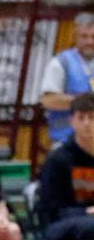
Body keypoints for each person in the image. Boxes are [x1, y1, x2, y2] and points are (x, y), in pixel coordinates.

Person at [35, 91, 94, 240]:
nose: (87, 124)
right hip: (57, 227)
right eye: (82, 118)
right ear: (72, 121)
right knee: (90, 226)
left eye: (92, 117)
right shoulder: (59, 159)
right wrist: (85, 213)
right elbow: (50, 208)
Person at [40, 13, 94, 147]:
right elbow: (48, 100)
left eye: (93, 37)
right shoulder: (61, 62)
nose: (90, 42)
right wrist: (84, 101)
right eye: (84, 36)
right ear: (75, 36)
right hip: (65, 142)